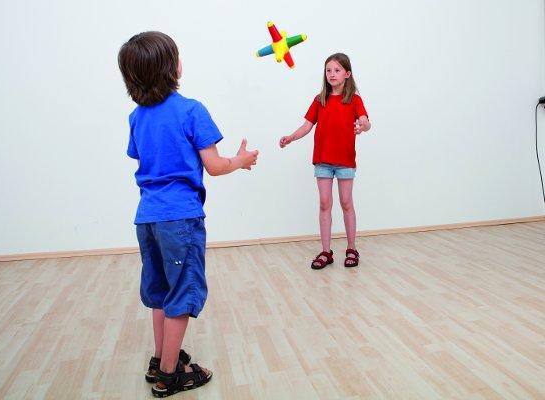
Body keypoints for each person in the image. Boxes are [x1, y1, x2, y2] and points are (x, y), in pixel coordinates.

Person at [118, 31, 259, 397]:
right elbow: (215, 166)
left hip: (147, 218)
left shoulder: (136, 117)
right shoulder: (191, 110)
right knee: (181, 293)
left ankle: (160, 359)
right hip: (180, 219)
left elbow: (143, 158)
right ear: (172, 68)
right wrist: (241, 160)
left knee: (160, 292)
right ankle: (170, 375)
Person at [279, 53, 370, 270]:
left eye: (337, 70)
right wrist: (291, 137)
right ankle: (326, 251)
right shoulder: (320, 99)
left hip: (345, 161)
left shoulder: (354, 100)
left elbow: (365, 121)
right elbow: (307, 126)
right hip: (323, 161)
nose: (332, 74)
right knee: (324, 204)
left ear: (347, 74)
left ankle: (351, 248)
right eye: (328, 70)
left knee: (346, 202)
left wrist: (362, 126)